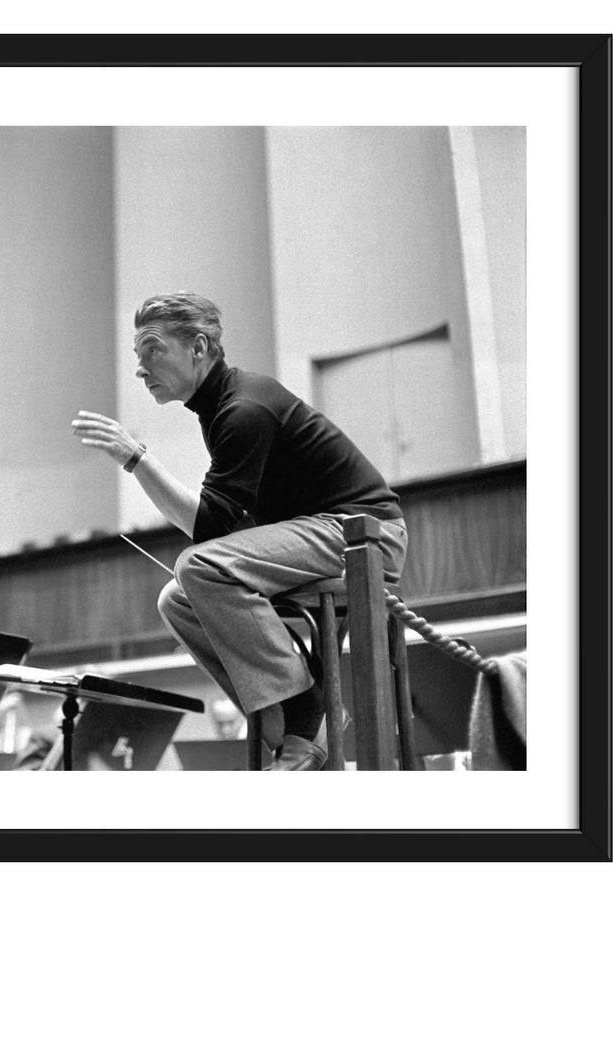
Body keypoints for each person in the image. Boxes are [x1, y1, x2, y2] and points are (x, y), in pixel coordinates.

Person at [72, 292, 407, 771]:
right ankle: (290, 736)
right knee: (176, 599)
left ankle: (306, 718)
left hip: (364, 534)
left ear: (199, 346)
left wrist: (137, 459)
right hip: (319, 533)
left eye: (152, 350)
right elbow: (220, 524)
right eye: (138, 356)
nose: (141, 369)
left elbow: (208, 532)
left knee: (197, 566)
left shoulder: (243, 409)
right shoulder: (220, 410)